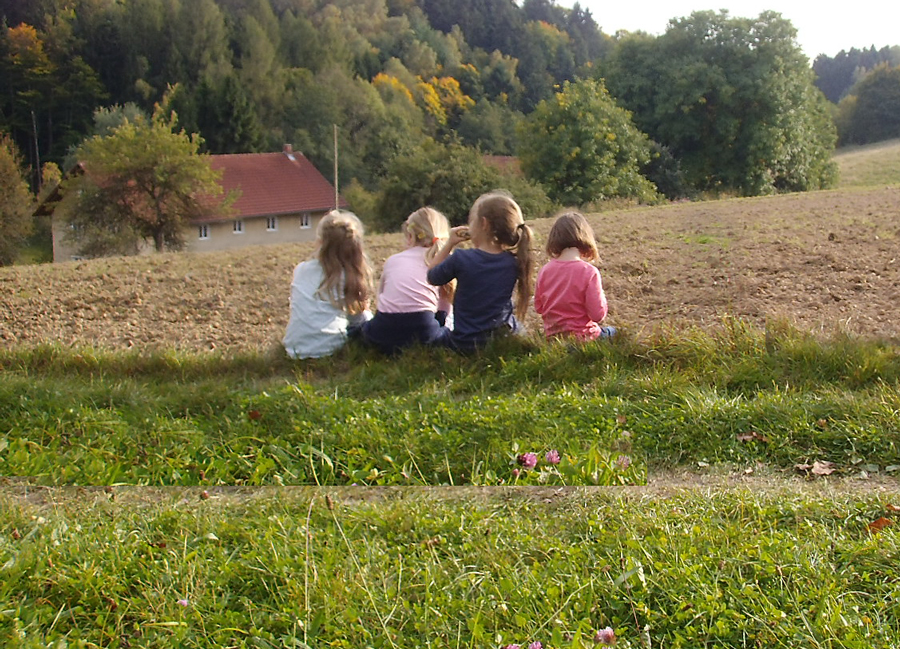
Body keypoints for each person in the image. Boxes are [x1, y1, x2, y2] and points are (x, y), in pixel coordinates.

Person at [427, 190, 535, 351]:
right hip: (500, 339)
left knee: (438, 335)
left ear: (484, 224)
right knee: (518, 327)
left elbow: (432, 276)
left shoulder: (461, 258)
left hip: (465, 343)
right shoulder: (513, 262)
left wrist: (449, 243)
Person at [359, 207, 454, 354]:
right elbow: (445, 306)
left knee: (362, 329)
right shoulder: (442, 262)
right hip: (424, 329)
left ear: (410, 236)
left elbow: (381, 297)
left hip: (383, 331)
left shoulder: (393, 260)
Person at [282, 209, 373, 359]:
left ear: (320, 243)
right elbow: (357, 320)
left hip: (295, 349)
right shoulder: (346, 275)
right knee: (364, 320)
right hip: (332, 348)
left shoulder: (301, 269)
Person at [534, 211, 615, 341]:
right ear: (586, 237)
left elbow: (539, 307)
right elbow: (597, 316)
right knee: (613, 332)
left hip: (554, 340)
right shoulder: (589, 272)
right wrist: (603, 298)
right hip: (585, 338)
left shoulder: (544, 271)